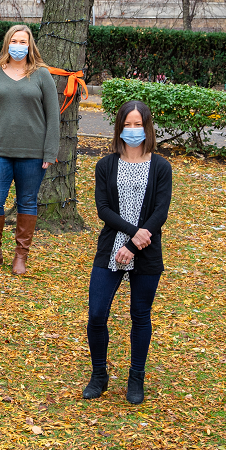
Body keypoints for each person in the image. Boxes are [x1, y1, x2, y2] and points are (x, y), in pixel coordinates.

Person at [82, 101, 172, 405]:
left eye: (138, 125)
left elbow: (160, 212)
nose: (133, 131)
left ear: (147, 128)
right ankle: (99, 376)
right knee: (96, 315)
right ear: (119, 128)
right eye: (127, 125)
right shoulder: (105, 165)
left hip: (146, 253)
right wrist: (133, 234)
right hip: (110, 248)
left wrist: (133, 246)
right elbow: (103, 209)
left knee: (140, 315)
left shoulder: (160, 166)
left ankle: (136, 379)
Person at [0, 25, 60, 275]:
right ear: (7, 44)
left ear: (30, 45)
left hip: (32, 153)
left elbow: (53, 117)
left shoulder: (42, 75)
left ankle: (20, 256)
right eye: (14, 40)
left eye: (23, 41)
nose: (19, 45)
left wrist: (49, 151)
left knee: (27, 202)